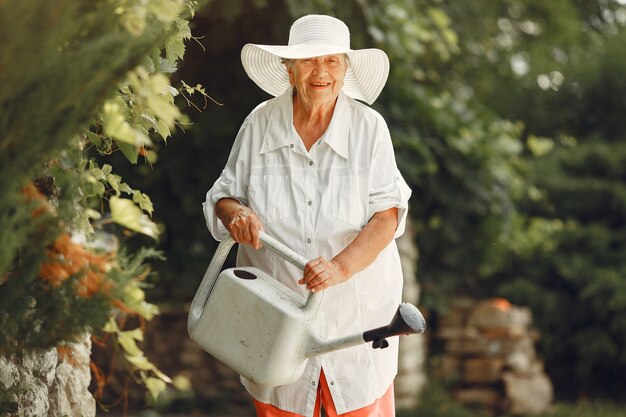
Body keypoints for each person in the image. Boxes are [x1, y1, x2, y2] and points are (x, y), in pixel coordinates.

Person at [203, 14, 411, 417]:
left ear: (345, 69)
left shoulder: (370, 128)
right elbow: (223, 197)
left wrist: (338, 268)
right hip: (274, 326)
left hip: (354, 322)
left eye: (332, 61)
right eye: (309, 61)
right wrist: (237, 215)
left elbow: (387, 217)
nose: (321, 72)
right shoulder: (259, 123)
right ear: (289, 68)